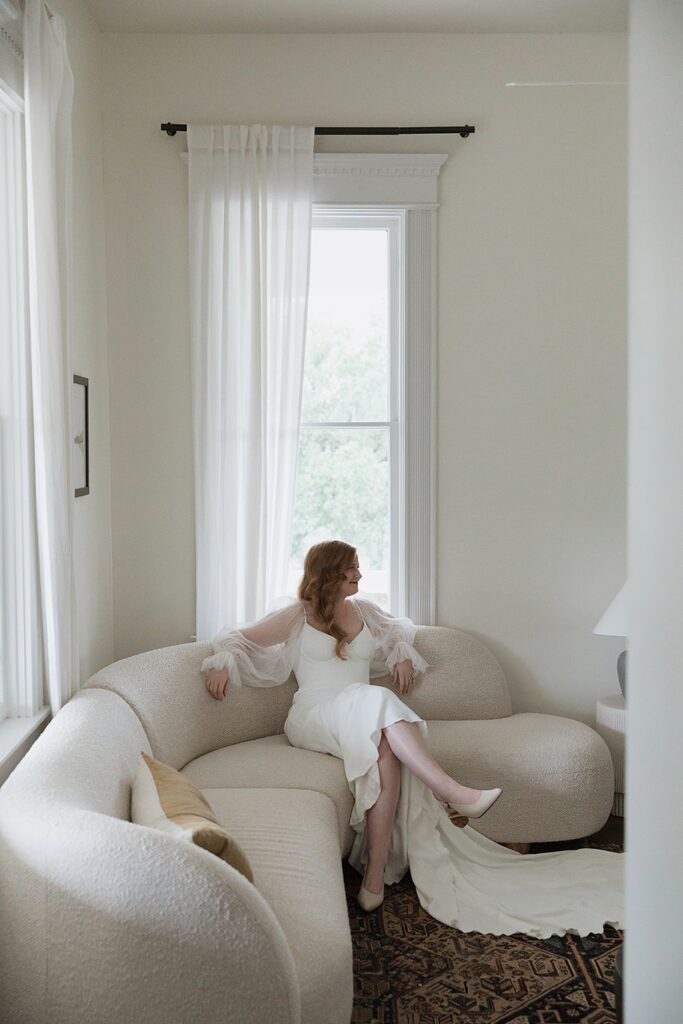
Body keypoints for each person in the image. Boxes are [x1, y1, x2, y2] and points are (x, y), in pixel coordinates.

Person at [202, 540, 624, 937]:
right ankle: (451, 791)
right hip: (314, 713)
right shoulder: (299, 614)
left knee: (386, 749)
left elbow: (399, 631)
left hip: (359, 709)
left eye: (359, 569)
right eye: (352, 569)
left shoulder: (364, 611)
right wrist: (223, 662)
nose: (359, 575)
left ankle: (374, 875)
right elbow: (236, 636)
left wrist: (402, 656)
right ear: (329, 573)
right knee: (377, 699)